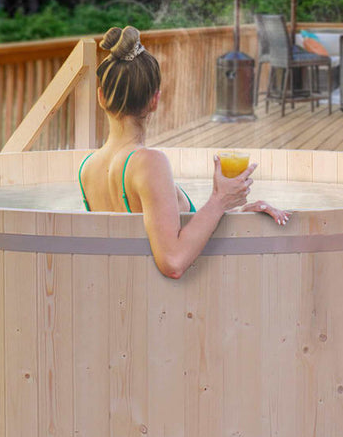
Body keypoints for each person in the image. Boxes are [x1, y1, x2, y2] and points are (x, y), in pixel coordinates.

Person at [77, 26, 288, 278]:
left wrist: (240, 214)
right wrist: (219, 199)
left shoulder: (87, 167)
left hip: (124, 295)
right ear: (155, 100)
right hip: (160, 308)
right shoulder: (147, 163)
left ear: (101, 97)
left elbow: (157, 236)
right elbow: (173, 261)